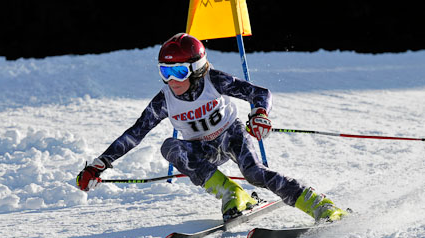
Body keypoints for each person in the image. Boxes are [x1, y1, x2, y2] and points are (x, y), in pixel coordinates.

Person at [76, 33, 347, 222]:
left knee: (254, 173)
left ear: (196, 69)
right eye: (165, 72)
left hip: (232, 135)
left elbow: (259, 93)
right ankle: (232, 194)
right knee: (170, 147)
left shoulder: (213, 80)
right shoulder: (165, 100)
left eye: (179, 72)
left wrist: (260, 113)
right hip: (202, 149)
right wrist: (99, 165)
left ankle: (320, 204)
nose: (172, 80)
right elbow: (135, 133)